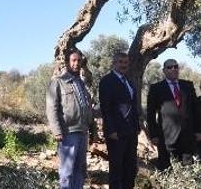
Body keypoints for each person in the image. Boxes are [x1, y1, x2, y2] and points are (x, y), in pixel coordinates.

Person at [46, 48, 95, 189]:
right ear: (67, 63)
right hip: (68, 133)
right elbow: (51, 109)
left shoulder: (81, 83)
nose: (77, 63)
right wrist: (57, 131)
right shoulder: (58, 82)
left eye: (79, 60)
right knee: (66, 172)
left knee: (80, 170)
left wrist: (92, 130)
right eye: (73, 60)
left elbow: (87, 108)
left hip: (83, 132)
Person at [146, 58, 196, 171]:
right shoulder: (156, 88)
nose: (173, 69)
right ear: (164, 70)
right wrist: (153, 135)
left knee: (189, 170)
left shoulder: (188, 85)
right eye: (169, 67)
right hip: (166, 138)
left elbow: (195, 109)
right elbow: (150, 113)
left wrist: (198, 131)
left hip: (187, 137)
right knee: (166, 170)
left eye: (176, 66)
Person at [99, 52, 140, 189]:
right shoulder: (107, 81)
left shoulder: (129, 81)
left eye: (126, 62)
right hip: (116, 133)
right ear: (114, 63)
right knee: (117, 169)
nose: (123, 65)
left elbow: (133, 106)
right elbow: (106, 108)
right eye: (120, 62)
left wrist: (137, 128)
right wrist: (111, 130)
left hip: (131, 132)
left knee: (130, 168)